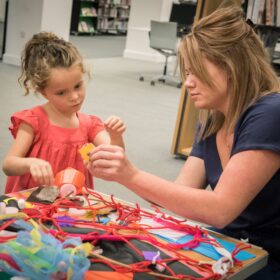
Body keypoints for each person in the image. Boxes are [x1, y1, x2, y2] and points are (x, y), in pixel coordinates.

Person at [86, 5, 280, 279]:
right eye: (186, 72)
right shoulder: (212, 121)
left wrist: (130, 175)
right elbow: (177, 196)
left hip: (269, 257)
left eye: (196, 71)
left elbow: (221, 209)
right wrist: (122, 168)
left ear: (232, 65)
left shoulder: (271, 112)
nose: (187, 82)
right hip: (233, 247)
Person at [2, 31, 126, 194]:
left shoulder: (89, 124)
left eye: (78, 86)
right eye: (61, 93)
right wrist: (30, 163)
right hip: (33, 205)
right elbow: (8, 164)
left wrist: (116, 137)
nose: (74, 97)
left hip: (71, 206)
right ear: (43, 92)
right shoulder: (33, 120)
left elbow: (115, 156)